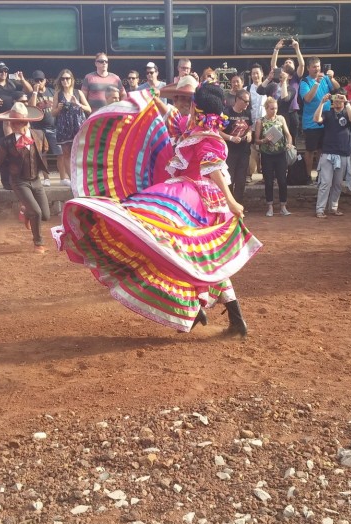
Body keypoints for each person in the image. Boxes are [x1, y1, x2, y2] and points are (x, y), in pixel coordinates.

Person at [52, 83, 261, 336]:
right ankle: (230, 319)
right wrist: (153, 98)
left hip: (192, 199)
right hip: (199, 200)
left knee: (160, 238)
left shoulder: (205, 136)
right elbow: (173, 116)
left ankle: (205, 312)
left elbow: (213, 168)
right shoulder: (197, 128)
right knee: (201, 259)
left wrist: (231, 200)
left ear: (196, 108)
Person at [0, 103, 52, 253]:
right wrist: (3, 152)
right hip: (19, 181)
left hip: (36, 179)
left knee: (45, 215)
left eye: (18, 122)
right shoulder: (6, 142)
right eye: (12, 122)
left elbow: (45, 149)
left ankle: (26, 211)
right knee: (36, 212)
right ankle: (38, 243)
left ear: (26, 122)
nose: (14, 125)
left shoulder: (39, 135)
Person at [313, 90, 351, 218]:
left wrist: (347, 102)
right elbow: (316, 119)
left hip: (343, 153)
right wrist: (322, 103)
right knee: (325, 183)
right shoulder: (328, 113)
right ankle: (320, 209)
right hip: (328, 153)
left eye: (340, 98)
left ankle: (333, 208)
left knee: (337, 184)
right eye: (335, 98)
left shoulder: (347, 112)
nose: (337, 101)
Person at [300, 57, 340, 177]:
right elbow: (308, 98)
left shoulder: (326, 78)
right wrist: (317, 83)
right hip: (311, 123)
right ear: (308, 68)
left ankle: (320, 176)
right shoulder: (305, 82)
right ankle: (307, 176)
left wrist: (332, 78)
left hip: (326, 121)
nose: (317, 69)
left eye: (318, 66)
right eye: (314, 67)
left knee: (322, 150)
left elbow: (338, 89)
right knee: (310, 150)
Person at [51, 68, 91, 187]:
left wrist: (77, 104)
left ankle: (82, 177)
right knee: (66, 153)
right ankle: (72, 179)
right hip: (64, 127)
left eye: (67, 78)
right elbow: (53, 113)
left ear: (72, 79)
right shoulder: (58, 94)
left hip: (78, 126)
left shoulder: (78, 93)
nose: (65, 81)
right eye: (62, 79)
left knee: (80, 153)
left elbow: (89, 109)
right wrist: (59, 108)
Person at [254, 96, 293, 216]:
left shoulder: (281, 119)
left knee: (282, 180)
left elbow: (288, 134)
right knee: (269, 181)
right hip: (267, 155)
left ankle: (283, 206)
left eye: (276, 108)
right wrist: (264, 140)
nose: (274, 111)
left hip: (280, 154)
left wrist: (289, 143)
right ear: (266, 108)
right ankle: (270, 207)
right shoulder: (260, 121)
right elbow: (256, 140)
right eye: (272, 108)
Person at [222, 88, 252, 204]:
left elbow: (250, 127)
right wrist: (231, 138)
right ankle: (229, 204)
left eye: (248, 101)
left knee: (241, 180)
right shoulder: (226, 113)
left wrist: (249, 134)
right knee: (230, 178)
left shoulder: (247, 113)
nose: (247, 104)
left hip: (244, 150)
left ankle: (238, 204)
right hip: (230, 151)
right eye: (245, 101)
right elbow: (218, 131)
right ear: (238, 99)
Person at [29, 70, 55, 186]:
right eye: (36, 80)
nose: (39, 82)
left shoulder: (52, 91)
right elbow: (31, 107)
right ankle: (46, 178)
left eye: (41, 80)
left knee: (60, 153)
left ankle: (64, 177)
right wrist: (35, 92)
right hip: (38, 128)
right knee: (42, 154)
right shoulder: (31, 93)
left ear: (45, 81)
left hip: (52, 127)